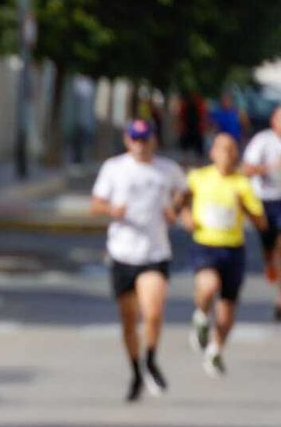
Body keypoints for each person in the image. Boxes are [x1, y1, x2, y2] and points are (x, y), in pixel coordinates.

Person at [91, 120, 188, 401]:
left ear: (153, 140)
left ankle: (151, 359)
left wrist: (177, 210)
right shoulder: (114, 168)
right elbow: (96, 203)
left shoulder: (167, 169)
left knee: (153, 312)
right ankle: (136, 370)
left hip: (155, 253)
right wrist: (112, 210)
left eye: (145, 139)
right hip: (122, 253)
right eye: (135, 138)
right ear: (127, 140)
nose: (140, 144)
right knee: (128, 319)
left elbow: (183, 194)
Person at [184, 131, 266, 376]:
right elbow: (179, 200)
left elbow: (261, 223)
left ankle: (215, 351)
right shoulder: (199, 177)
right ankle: (201, 316)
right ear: (213, 152)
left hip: (233, 249)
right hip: (205, 244)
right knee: (209, 286)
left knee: (227, 310)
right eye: (222, 149)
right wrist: (186, 216)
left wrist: (245, 207)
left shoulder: (242, 184)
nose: (228, 154)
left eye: (232, 149)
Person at [240, 107, 281, 320]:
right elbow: (246, 169)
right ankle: (269, 263)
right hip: (265, 199)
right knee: (269, 247)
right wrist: (270, 167)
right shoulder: (262, 141)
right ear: (273, 121)